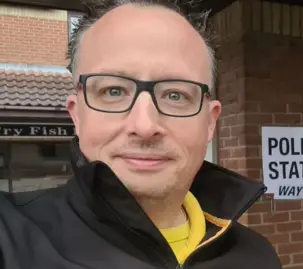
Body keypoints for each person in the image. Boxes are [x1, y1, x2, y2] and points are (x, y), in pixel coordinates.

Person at [0, 0, 282, 268]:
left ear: (210, 122)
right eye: (113, 91)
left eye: (175, 94)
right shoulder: (10, 240)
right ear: (77, 114)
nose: (145, 126)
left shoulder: (258, 257)